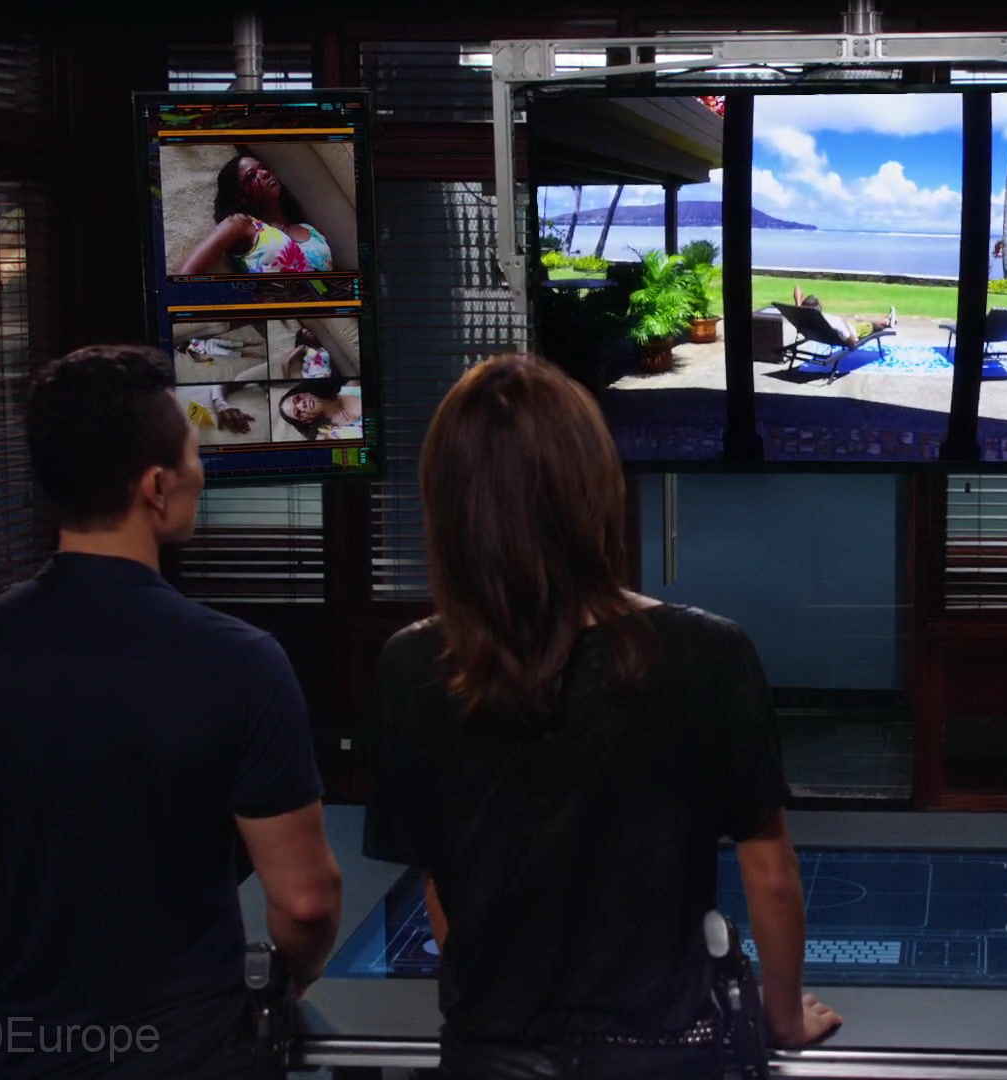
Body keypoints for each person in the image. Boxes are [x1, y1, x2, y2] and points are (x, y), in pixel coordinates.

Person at [362, 353, 842, 1079]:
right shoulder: (709, 652)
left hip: (489, 1054)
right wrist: (782, 1018)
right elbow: (770, 873)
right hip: (666, 1058)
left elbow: (440, 883)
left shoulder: (411, 663)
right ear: (594, 486)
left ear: (447, 498)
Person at [0, 345, 343, 1077]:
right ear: (157, 486)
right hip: (193, 1052)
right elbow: (304, 900)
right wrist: (286, 980)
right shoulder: (240, 663)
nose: (201, 473)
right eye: (195, 455)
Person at [178, 150, 334, 275]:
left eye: (263, 167)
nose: (264, 173)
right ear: (241, 197)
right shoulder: (241, 224)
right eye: (251, 175)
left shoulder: (310, 229)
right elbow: (185, 274)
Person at [793, 285, 895, 347]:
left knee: (857, 318)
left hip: (829, 332)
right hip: (852, 332)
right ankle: (888, 322)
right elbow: (852, 342)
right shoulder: (834, 323)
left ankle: (887, 319)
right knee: (868, 324)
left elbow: (797, 288)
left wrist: (799, 306)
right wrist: (847, 328)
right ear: (818, 308)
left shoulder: (803, 316)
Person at [277, 377, 363, 440]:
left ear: (307, 392)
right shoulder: (327, 437)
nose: (302, 405)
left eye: (298, 399)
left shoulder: (351, 387)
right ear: (306, 420)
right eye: (298, 413)